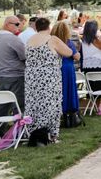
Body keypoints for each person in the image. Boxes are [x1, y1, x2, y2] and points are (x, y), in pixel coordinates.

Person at [25, 17, 72, 145]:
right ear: (49, 27)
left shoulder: (30, 40)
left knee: (34, 103)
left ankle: (33, 132)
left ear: (36, 27)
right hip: (48, 77)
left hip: (31, 77)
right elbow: (69, 52)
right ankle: (51, 135)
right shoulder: (52, 39)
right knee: (51, 104)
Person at [0, 16, 27, 115]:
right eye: (16, 24)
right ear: (7, 25)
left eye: (19, 24)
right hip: (16, 76)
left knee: (3, 105)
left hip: (2, 75)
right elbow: (25, 56)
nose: (19, 26)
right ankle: (18, 129)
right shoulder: (13, 39)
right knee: (19, 106)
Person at [51, 21, 81, 118]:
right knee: (68, 89)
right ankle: (69, 110)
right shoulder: (68, 43)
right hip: (67, 68)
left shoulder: (50, 42)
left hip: (56, 68)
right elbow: (77, 57)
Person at [81, 20, 101, 92]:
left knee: (92, 92)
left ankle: (94, 103)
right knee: (100, 92)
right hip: (99, 67)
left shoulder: (84, 39)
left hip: (87, 67)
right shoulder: (95, 40)